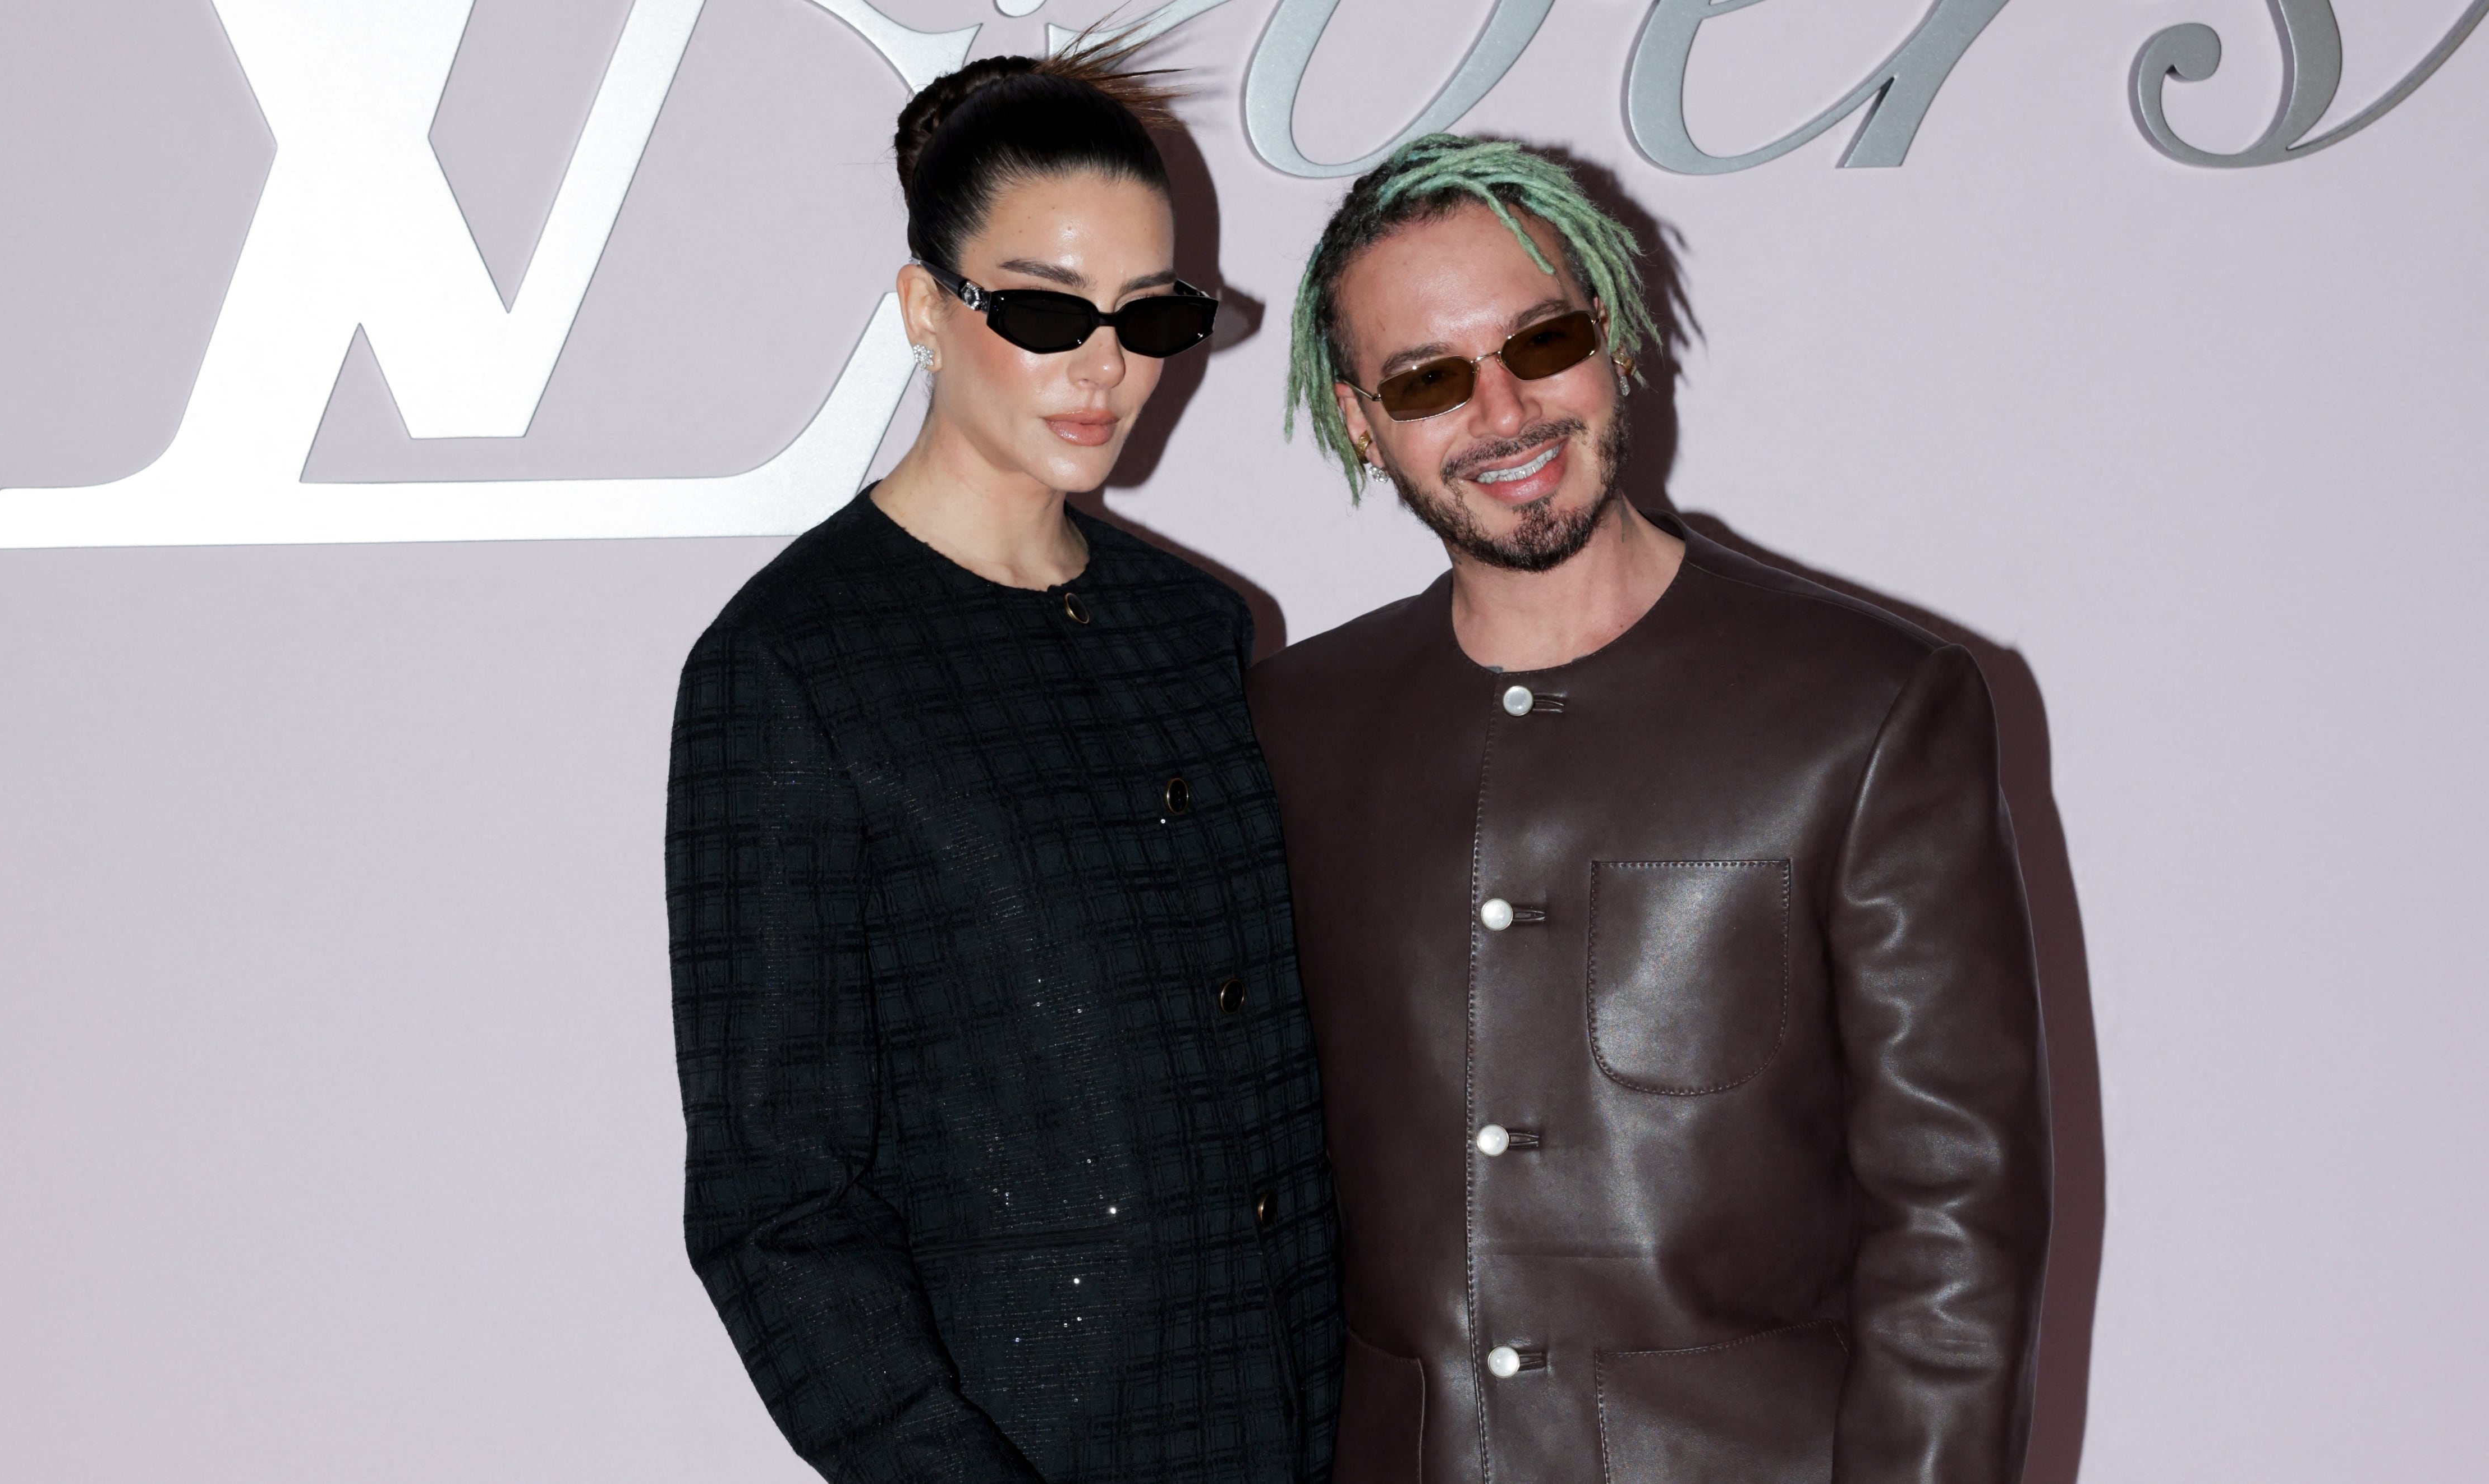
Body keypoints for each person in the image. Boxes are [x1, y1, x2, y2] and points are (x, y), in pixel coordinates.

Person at [1249, 134, 2051, 1483]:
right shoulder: (1289, 729)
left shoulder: (1862, 710)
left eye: (1541, 341)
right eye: (1430, 378)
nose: (1502, 413)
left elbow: (1954, 1224)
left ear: (1612, 341)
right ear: (1357, 419)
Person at [664, 44, 1339, 1484]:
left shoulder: (1198, 632)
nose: (1107, 367)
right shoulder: (791, 669)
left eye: (1150, 316)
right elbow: (772, 1204)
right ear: (925, 309)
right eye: (1043, 310)